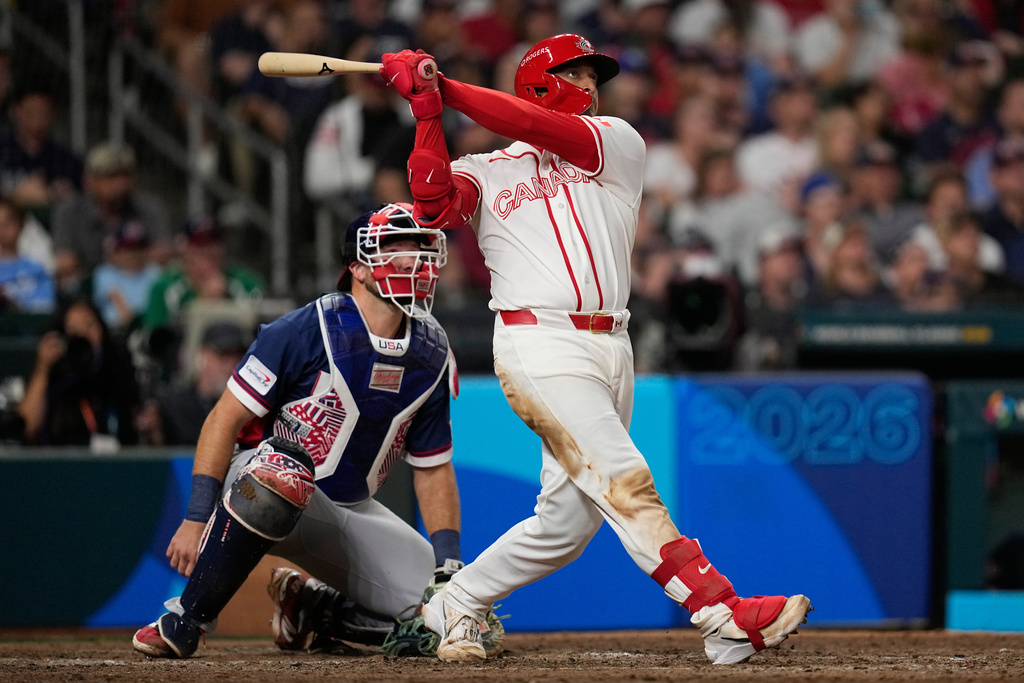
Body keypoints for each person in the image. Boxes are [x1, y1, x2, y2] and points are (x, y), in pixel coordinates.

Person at [379, 34, 812, 665]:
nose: (588, 86)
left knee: (565, 526)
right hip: (539, 341)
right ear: (536, 80)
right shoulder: (488, 169)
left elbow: (530, 121)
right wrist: (425, 113)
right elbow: (433, 204)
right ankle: (719, 612)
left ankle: (457, 601)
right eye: (573, 73)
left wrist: (444, 90)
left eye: (592, 76)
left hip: (613, 343)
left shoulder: (615, 143)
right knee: (623, 477)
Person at [130, 203, 502, 659]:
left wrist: (448, 565)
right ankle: (188, 617)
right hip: (256, 486)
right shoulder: (305, 328)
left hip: (347, 510)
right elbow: (222, 420)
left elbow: (433, 468)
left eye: (421, 246)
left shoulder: (432, 351)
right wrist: (195, 515)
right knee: (284, 474)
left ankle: (310, 608)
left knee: (460, 618)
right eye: (395, 247)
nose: (414, 259)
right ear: (357, 268)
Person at [17, 297, 140, 447]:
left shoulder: (117, 374)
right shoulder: (54, 380)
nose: (83, 335)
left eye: (90, 325)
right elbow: (27, 429)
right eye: (73, 329)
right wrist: (43, 368)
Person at [137, 320, 250, 447]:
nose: (231, 365)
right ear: (202, 355)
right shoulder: (171, 407)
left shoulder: (251, 411)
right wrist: (154, 434)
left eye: (238, 357)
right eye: (223, 355)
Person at [0, 196, 55, 313]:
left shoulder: (36, 266)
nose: (2, 229)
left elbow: (44, 307)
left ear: (21, 225)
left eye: (7, 223)